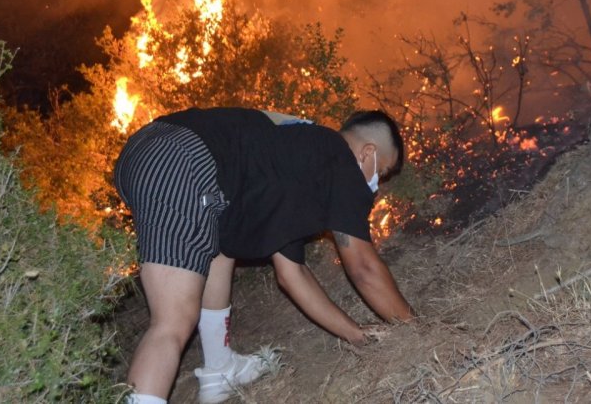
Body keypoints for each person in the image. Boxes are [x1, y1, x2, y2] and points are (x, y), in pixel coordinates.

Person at [114, 107, 416, 404]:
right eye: (382, 172)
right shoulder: (341, 158)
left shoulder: (295, 161)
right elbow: (363, 267)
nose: (375, 186)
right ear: (367, 153)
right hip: (181, 157)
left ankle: (219, 369)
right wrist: (412, 327)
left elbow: (292, 275)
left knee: (221, 245)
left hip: (151, 155)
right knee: (172, 322)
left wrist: (356, 335)